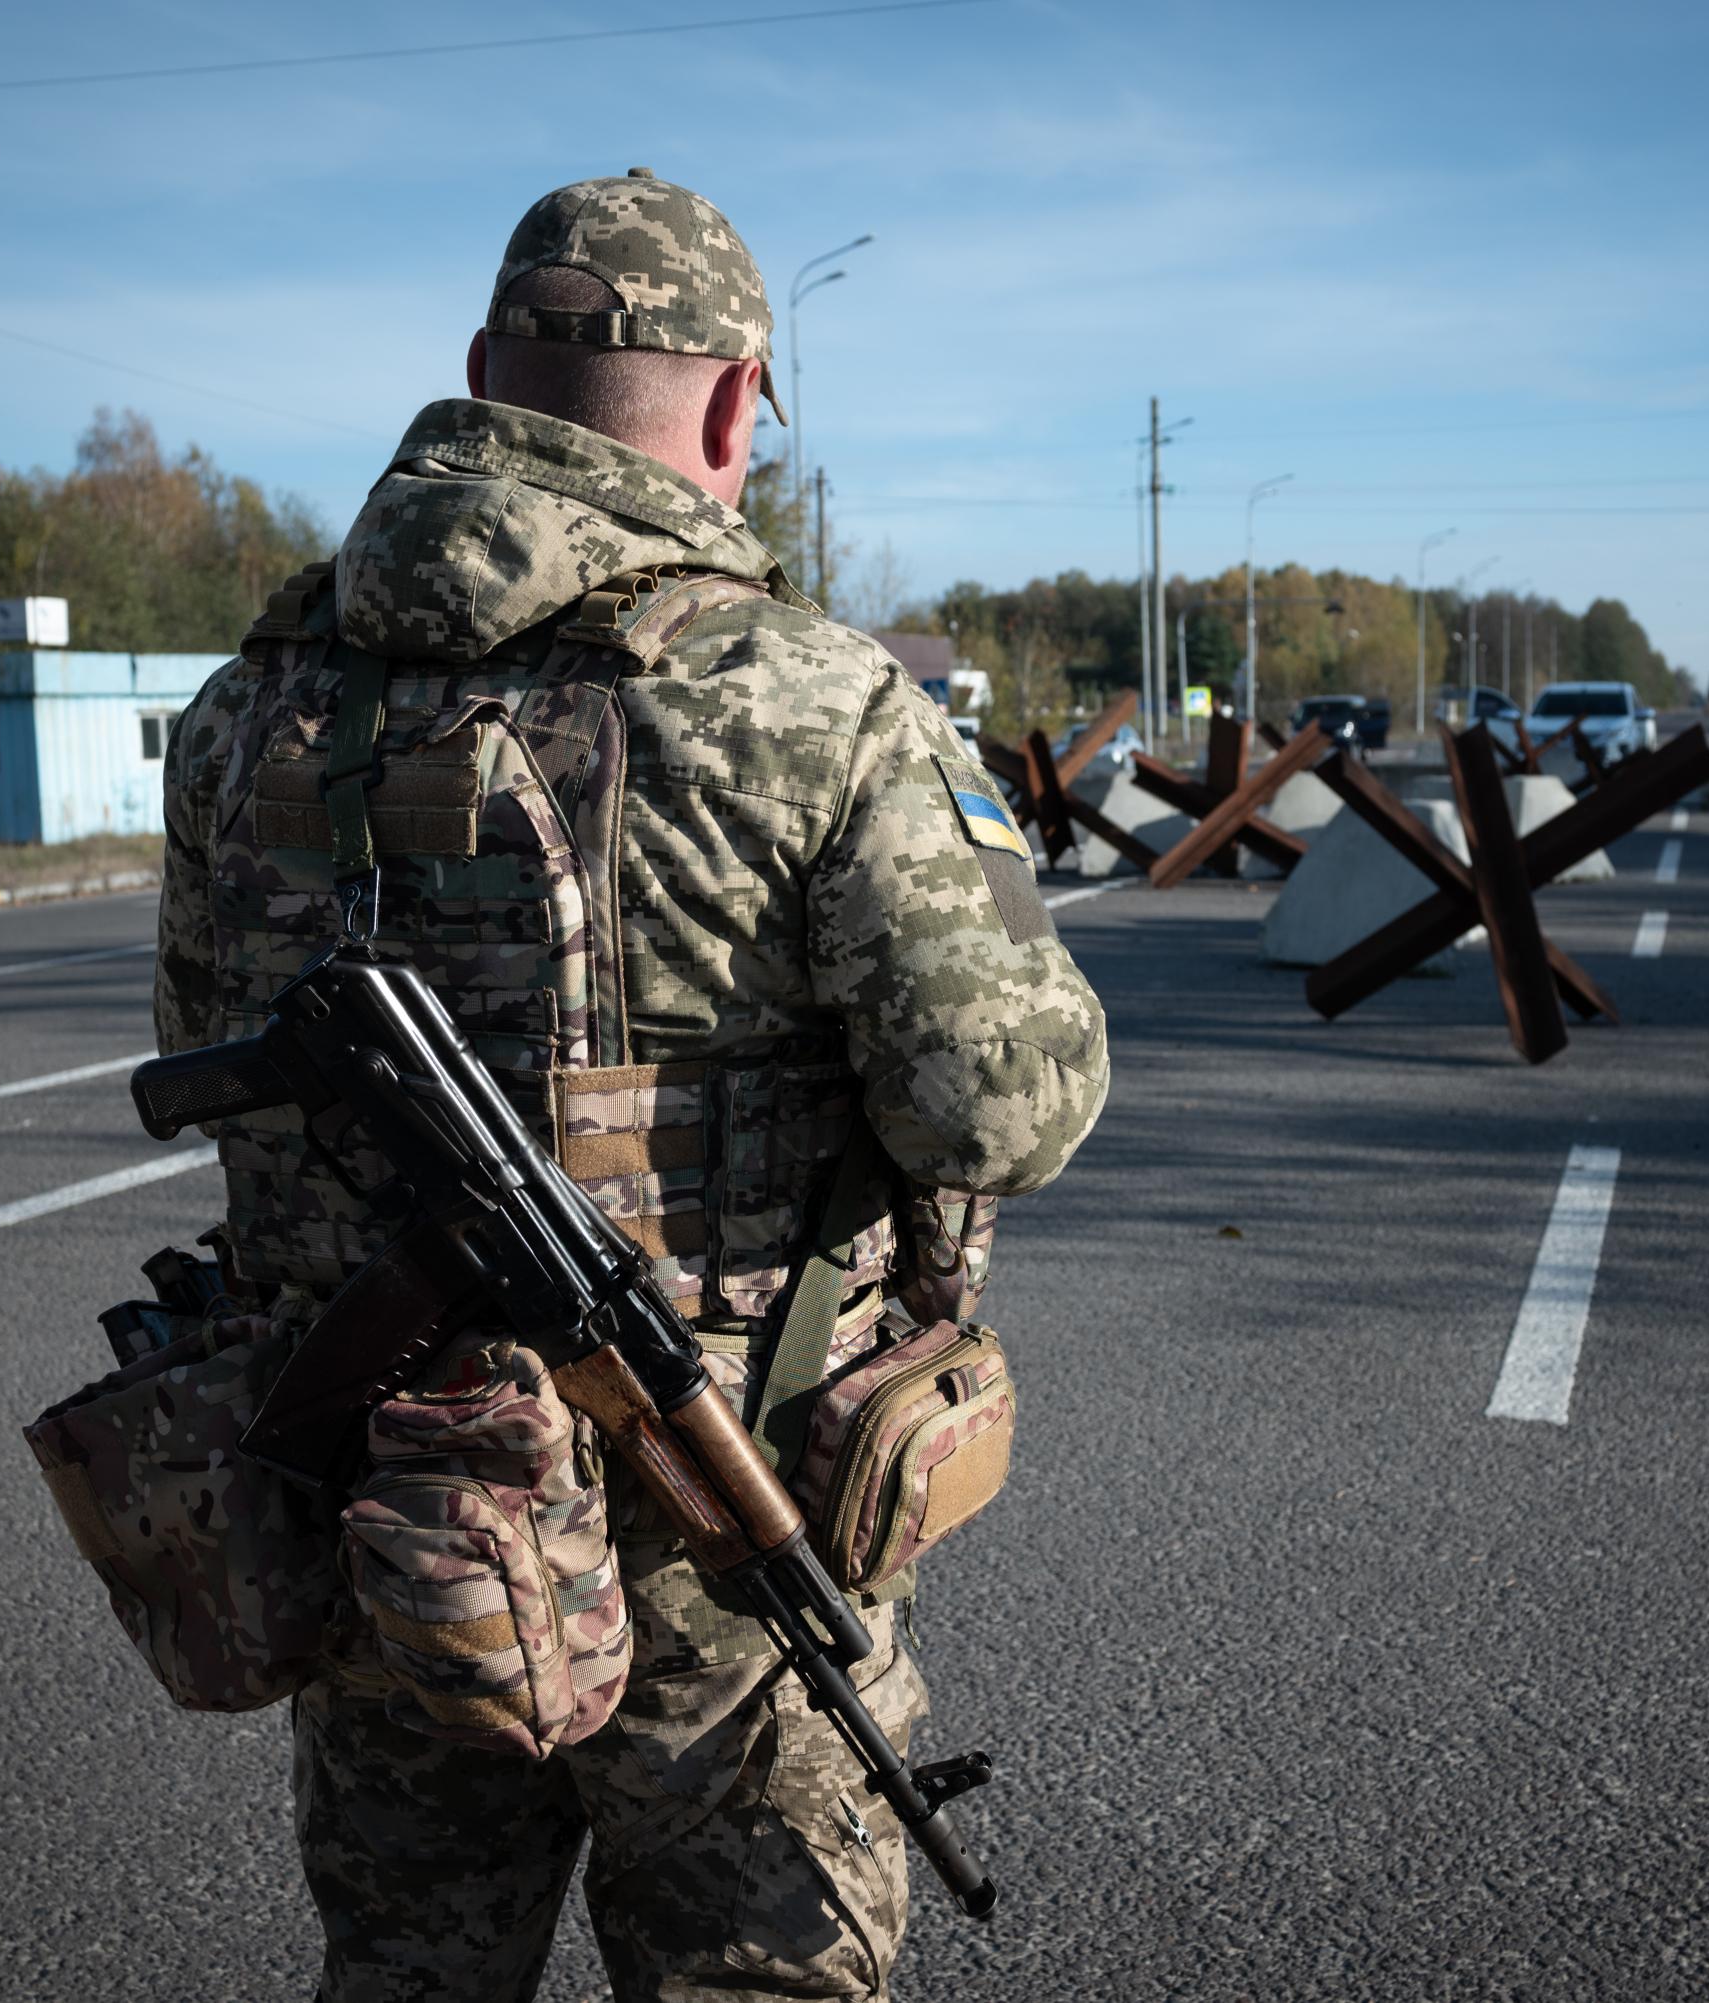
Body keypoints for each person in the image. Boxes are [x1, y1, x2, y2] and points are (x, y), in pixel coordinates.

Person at [152, 168, 1109, 2002]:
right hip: (716, 1534)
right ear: (740, 403)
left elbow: (214, 1048)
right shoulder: (809, 699)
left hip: (383, 1515)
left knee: (410, 1972)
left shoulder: (240, 708)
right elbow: (1006, 1111)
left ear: (482, 378)